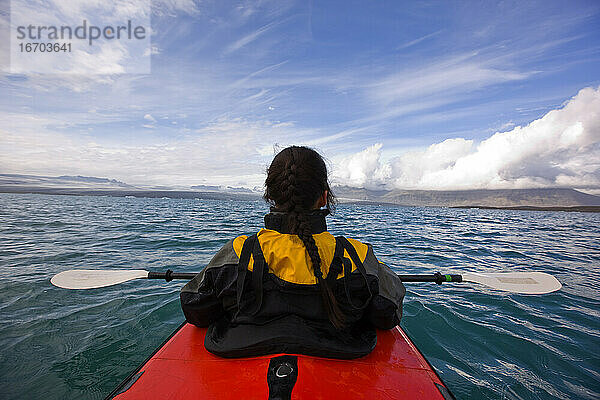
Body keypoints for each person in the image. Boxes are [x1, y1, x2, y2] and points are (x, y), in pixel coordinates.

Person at [180, 146, 405, 359]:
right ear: (324, 197)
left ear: (270, 195)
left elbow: (195, 307)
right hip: (341, 355)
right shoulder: (358, 255)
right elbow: (386, 313)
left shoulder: (239, 251)